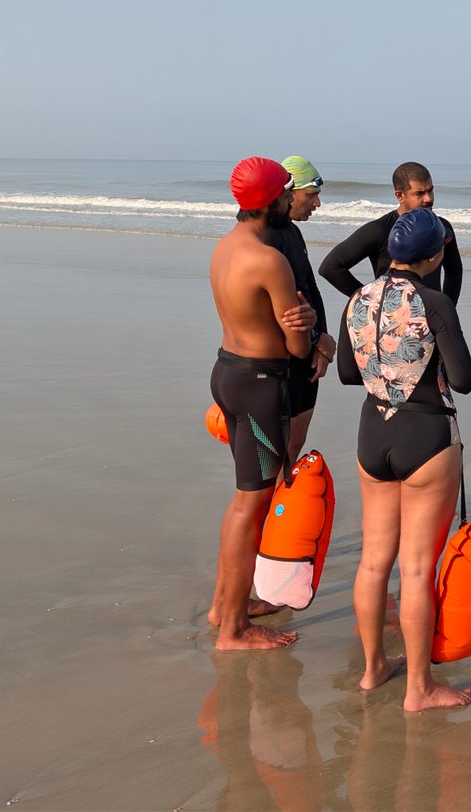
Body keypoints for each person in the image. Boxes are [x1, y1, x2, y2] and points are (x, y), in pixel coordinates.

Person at [338, 207, 471, 711]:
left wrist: (388, 367)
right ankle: (419, 687)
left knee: (374, 561)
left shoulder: (358, 297)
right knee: (416, 568)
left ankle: (374, 668)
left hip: (372, 432)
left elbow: (348, 377)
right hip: (424, 434)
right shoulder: (434, 300)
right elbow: (463, 379)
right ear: (434, 253)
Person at [205, 157, 317, 651]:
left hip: (228, 372)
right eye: (286, 193)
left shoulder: (225, 248)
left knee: (245, 500)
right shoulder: (270, 260)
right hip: (260, 383)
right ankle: (232, 627)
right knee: (249, 504)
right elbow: (295, 346)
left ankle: (227, 605)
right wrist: (309, 324)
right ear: (274, 199)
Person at [264, 155, 337, 458]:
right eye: (312, 195)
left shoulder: (292, 232)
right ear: (288, 193)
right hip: (282, 356)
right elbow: (281, 309)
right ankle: (274, 505)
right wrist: (318, 339)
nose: (317, 204)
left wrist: (321, 343)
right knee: (278, 452)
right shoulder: (267, 238)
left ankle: (287, 503)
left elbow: (309, 289)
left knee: (294, 445)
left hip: (306, 350)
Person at [320, 162, 463, 304]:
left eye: (430, 190)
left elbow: (454, 271)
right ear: (400, 196)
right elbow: (330, 268)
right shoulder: (379, 230)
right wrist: (370, 300)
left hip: (431, 320)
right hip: (392, 321)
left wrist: (448, 306)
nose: (429, 199)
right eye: (419, 193)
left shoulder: (441, 227)